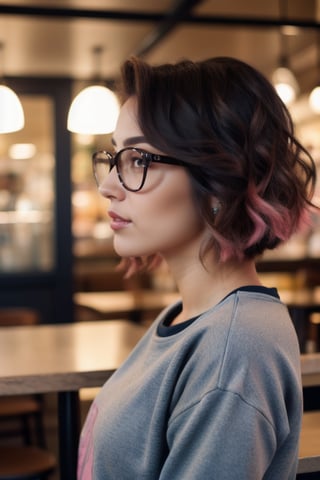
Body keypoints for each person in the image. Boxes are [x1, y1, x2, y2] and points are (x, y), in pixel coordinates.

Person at [78, 56, 317, 479]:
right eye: (115, 158)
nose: (108, 186)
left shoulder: (234, 351)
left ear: (219, 180)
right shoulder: (191, 317)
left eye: (140, 160)